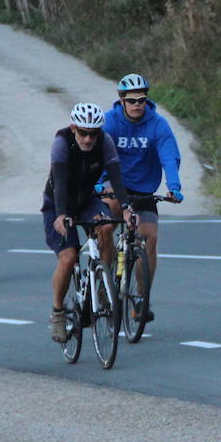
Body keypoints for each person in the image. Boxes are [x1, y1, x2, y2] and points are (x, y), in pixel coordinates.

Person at [97, 73, 184, 322]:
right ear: (122, 100)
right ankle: (103, 280)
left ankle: (141, 299)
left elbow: (169, 156)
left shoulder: (158, 124)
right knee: (104, 228)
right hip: (114, 186)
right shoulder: (110, 122)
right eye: (132, 100)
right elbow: (98, 155)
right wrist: (97, 182)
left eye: (142, 100)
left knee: (150, 238)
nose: (137, 105)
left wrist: (174, 186)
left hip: (144, 190)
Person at [42, 103, 131, 342]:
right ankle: (58, 313)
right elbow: (59, 183)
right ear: (73, 128)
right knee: (69, 258)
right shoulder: (61, 142)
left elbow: (116, 178)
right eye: (83, 132)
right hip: (58, 204)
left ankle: (103, 286)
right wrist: (61, 215)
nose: (89, 139)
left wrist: (125, 208)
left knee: (105, 227)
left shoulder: (105, 141)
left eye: (93, 133)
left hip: (87, 200)